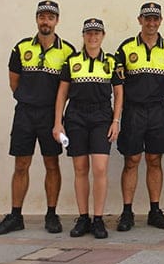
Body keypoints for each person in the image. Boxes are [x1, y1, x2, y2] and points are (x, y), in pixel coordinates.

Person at [0, 0, 76, 236]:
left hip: (51, 114)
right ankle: (16, 215)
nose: (45, 21)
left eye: (50, 17)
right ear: (37, 19)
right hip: (25, 114)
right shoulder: (21, 48)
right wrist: (28, 98)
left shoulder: (68, 50)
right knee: (21, 164)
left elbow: (68, 87)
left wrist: (57, 114)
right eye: (42, 17)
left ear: (57, 20)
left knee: (52, 163)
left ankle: (51, 214)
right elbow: (14, 82)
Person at [52, 18, 123, 239]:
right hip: (76, 117)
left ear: (103, 36)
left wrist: (116, 121)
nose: (93, 37)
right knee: (80, 168)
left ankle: (99, 219)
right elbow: (62, 94)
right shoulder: (72, 61)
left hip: (102, 116)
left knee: (100, 168)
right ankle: (83, 218)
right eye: (89, 33)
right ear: (83, 35)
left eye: (97, 33)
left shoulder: (112, 61)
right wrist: (58, 122)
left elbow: (119, 93)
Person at [114, 2, 164, 231]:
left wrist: (156, 95)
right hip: (133, 111)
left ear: (161, 21)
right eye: (147, 18)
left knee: (154, 160)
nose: (151, 23)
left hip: (157, 110)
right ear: (139, 20)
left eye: (155, 19)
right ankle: (127, 212)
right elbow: (118, 83)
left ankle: (155, 210)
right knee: (131, 160)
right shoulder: (126, 47)